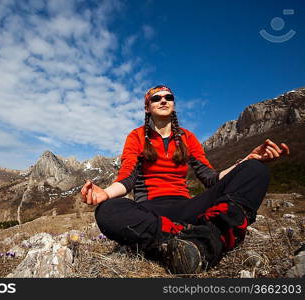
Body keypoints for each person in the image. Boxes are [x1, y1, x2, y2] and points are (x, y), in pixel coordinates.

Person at [81, 85, 290, 275]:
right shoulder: (136, 137)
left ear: (173, 103)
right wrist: (106, 194)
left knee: (255, 170)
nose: (163, 100)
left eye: (168, 97)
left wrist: (247, 160)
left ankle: (197, 241)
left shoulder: (187, 138)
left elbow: (211, 178)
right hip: (152, 211)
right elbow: (127, 178)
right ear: (147, 107)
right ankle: (200, 238)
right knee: (107, 210)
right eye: (156, 98)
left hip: (188, 207)